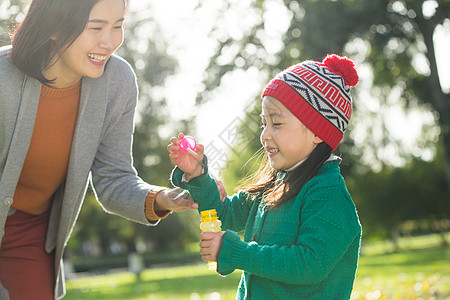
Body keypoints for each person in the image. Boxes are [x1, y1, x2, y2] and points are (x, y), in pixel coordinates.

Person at [0, 0, 198, 299]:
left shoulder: (117, 82)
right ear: (54, 25)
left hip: (30, 232)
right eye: (96, 27)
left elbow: (113, 179)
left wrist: (165, 198)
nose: (109, 42)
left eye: (118, 26)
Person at [168, 54, 363, 299]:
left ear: (317, 131)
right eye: (264, 123)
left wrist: (236, 252)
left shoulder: (328, 194)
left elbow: (309, 265)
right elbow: (222, 216)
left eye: (277, 123)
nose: (265, 135)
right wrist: (197, 175)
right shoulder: (273, 186)